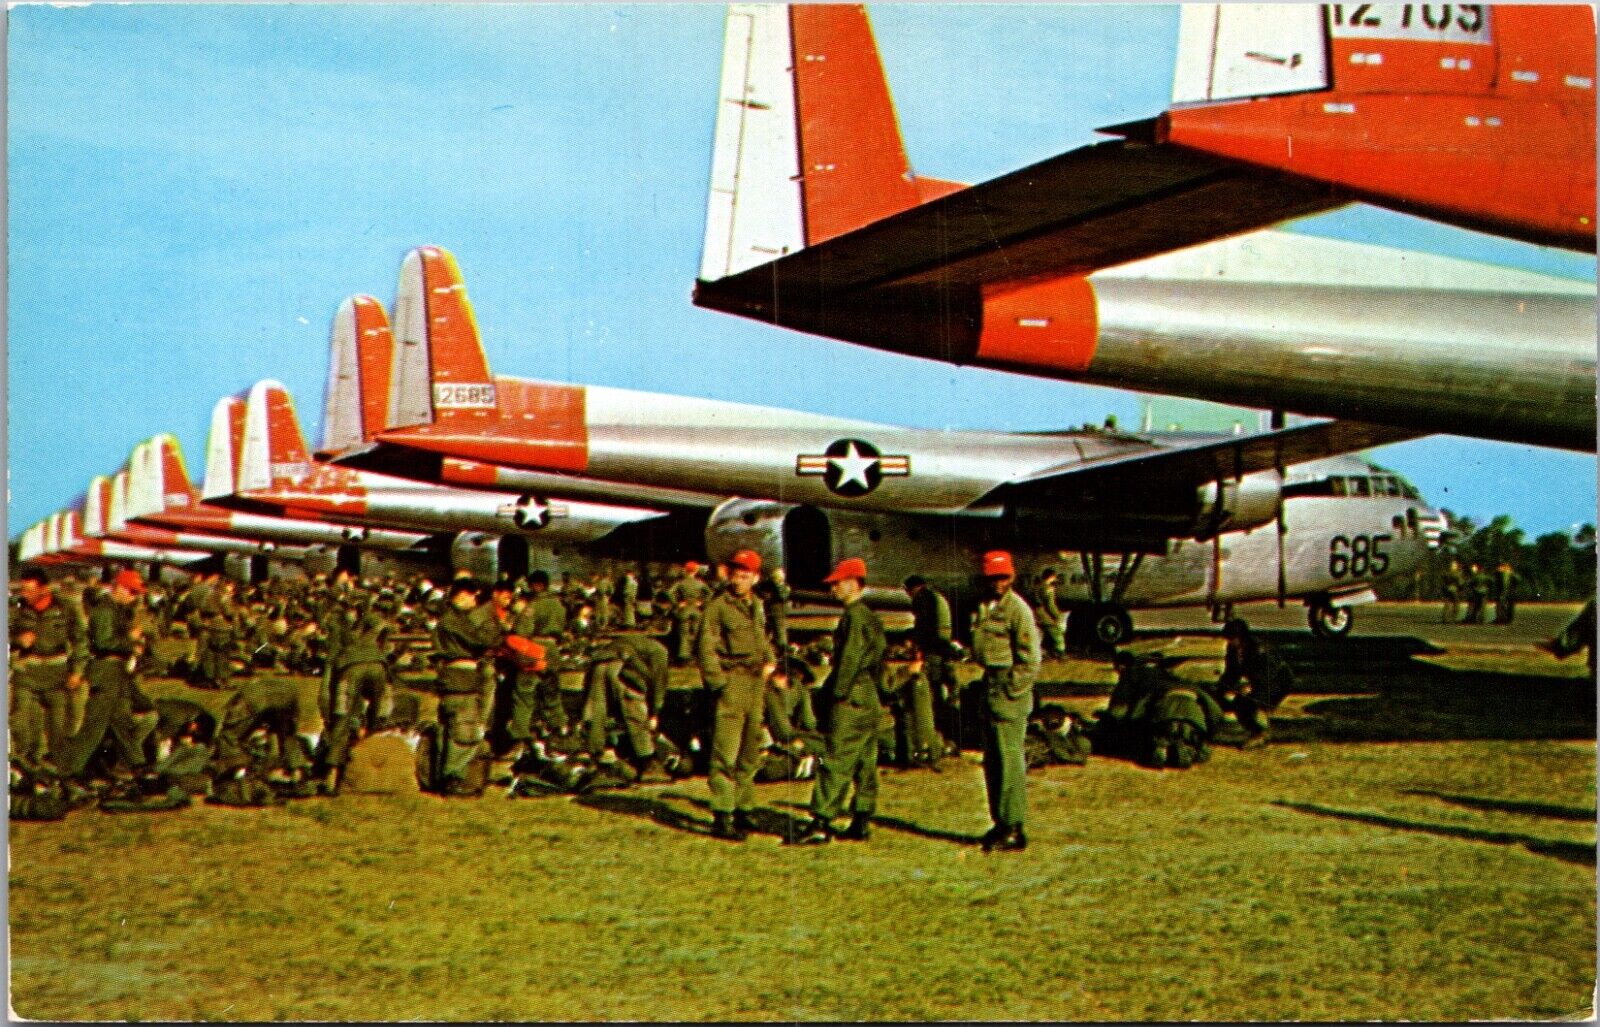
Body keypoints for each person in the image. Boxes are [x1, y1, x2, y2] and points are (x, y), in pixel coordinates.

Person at [793, 557, 886, 845]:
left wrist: (833, 695)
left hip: (850, 698)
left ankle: (821, 821)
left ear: (853, 583)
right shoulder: (869, 616)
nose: (832, 588)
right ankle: (861, 819)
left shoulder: (854, 617)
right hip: (868, 697)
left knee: (836, 758)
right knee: (864, 761)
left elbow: (848, 662)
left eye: (837, 583)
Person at [698, 549, 776, 841]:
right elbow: (706, 647)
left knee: (749, 751)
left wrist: (770, 660)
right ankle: (722, 814)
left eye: (745, 576)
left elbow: (762, 637)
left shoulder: (756, 604)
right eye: (735, 575)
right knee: (725, 752)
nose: (739, 581)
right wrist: (719, 683)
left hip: (755, 683)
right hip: (733, 682)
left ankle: (744, 808)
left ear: (755, 578)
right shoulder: (718, 607)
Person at [970, 550, 1041, 852]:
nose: (998, 582)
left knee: (1009, 761)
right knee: (994, 761)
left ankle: (1013, 827)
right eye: (993, 577)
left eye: (1003, 577)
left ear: (1012, 577)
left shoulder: (1018, 610)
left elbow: (1030, 659)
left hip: (1008, 690)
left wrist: (1012, 689)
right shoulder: (988, 606)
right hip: (991, 685)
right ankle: (1000, 823)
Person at [57, 569, 156, 782]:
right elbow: (103, 641)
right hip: (106, 672)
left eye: (136, 592)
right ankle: (69, 771)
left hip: (116, 672)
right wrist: (130, 642)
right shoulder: (105, 610)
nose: (134, 596)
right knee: (94, 726)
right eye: (131, 590)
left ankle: (138, 764)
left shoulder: (117, 609)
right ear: (118, 587)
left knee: (122, 722)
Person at [430, 579, 504, 796]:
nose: (474, 600)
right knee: (465, 732)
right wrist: (501, 630)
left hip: (457, 680)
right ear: (461, 594)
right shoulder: (453, 620)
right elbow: (479, 641)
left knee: (451, 730)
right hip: (461, 680)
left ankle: (446, 777)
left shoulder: (453, 619)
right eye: (472, 595)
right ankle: (454, 779)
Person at [10, 568, 86, 770]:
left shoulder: (66, 608)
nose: (25, 594)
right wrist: (17, 640)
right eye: (23, 590)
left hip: (57, 675)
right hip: (27, 674)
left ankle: (57, 770)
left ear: (44, 588)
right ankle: (26, 767)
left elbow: (80, 641)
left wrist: (77, 671)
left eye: (29, 590)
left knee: (58, 729)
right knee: (22, 723)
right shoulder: (17, 609)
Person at [904, 575, 961, 755]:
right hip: (944, 651)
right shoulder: (936, 596)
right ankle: (950, 738)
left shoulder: (922, 599)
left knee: (932, 695)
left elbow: (924, 626)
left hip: (934, 652)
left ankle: (938, 737)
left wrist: (917, 646)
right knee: (947, 693)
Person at [1211, 619, 1291, 747]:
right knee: (1238, 703)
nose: (1230, 642)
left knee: (1253, 702)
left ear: (1241, 637)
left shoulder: (1258, 648)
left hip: (1277, 681)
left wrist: (1252, 687)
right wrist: (1220, 688)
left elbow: (1269, 672)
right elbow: (1232, 672)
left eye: (1233, 638)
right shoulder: (1233, 649)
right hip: (1261, 680)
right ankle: (1254, 731)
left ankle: (1262, 733)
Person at [669, 562, 711, 665]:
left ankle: (683, 656)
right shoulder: (700, 583)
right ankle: (697, 656)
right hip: (696, 610)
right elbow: (710, 593)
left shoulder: (681, 583)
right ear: (696, 571)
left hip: (684, 610)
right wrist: (701, 602)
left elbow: (670, 592)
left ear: (686, 571)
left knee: (684, 634)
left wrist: (677, 603)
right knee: (697, 634)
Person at [1033, 568, 1066, 657]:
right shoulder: (1048, 588)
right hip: (1044, 614)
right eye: (1054, 577)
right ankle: (1060, 652)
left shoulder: (1037, 586)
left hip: (1035, 613)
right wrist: (1057, 615)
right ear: (1051, 577)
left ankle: (1036, 652)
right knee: (1056, 632)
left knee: (1039, 633)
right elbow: (1050, 605)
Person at [1440, 559, 1464, 624]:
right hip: (1454, 590)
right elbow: (1461, 583)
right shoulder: (1457, 574)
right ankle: (1452, 618)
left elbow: (1443, 582)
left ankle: (1445, 618)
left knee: (1447, 604)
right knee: (1456, 604)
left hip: (1447, 589)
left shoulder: (1446, 573)